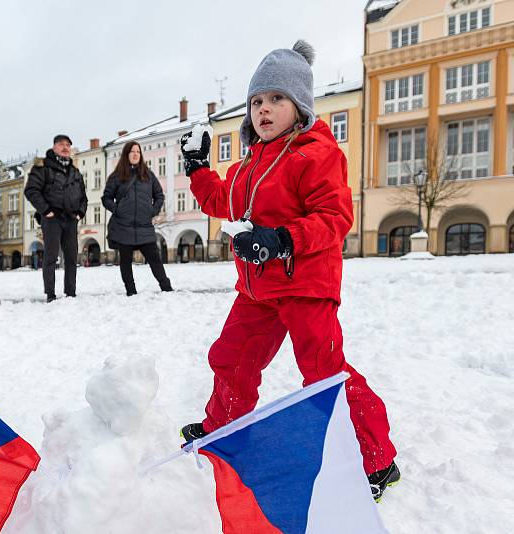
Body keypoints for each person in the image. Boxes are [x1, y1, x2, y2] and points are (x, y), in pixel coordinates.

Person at [179, 40, 400, 501]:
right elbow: (223, 202)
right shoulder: (247, 165)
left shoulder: (316, 154)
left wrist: (281, 239)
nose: (264, 109)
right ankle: (226, 427)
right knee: (230, 357)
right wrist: (198, 167)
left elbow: (334, 216)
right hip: (257, 290)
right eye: (257, 101)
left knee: (324, 371)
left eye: (276, 98)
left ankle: (374, 460)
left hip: (305, 285)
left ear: (299, 106)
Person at [102, 141, 173, 296]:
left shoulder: (148, 175)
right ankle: (131, 292)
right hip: (123, 226)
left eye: (138, 152)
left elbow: (159, 196)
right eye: (132, 151)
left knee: (155, 259)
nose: (135, 154)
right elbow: (106, 198)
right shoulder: (116, 177)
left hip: (144, 226)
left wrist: (152, 211)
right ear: (126, 154)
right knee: (126, 262)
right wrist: (117, 210)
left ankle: (166, 288)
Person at [25, 134, 88, 302]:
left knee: (72, 257)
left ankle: (70, 292)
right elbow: (31, 190)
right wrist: (46, 210)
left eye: (68, 145)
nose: (66, 147)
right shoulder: (43, 167)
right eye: (62, 144)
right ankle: (50, 294)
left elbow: (83, 197)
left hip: (70, 219)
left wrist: (79, 213)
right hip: (52, 218)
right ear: (54, 147)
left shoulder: (75, 172)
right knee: (51, 257)